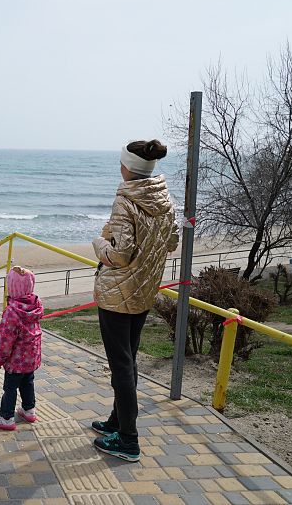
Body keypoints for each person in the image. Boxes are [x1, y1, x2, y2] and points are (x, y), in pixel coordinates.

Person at [90, 140, 179, 462]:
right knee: (128, 360)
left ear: (127, 167)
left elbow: (120, 255)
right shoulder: (164, 198)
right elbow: (171, 242)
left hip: (117, 296)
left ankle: (128, 440)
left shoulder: (126, 201)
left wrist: (100, 243)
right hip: (143, 291)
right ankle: (117, 422)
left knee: (121, 366)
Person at [0, 266, 44, 431]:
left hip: (16, 360)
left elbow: (5, 339)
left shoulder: (12, 311)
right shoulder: (36, 305)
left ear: (11, 287)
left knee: (10, 388)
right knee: (28, 382)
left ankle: (6, 417)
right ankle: (29, 410)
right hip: (31, 357)